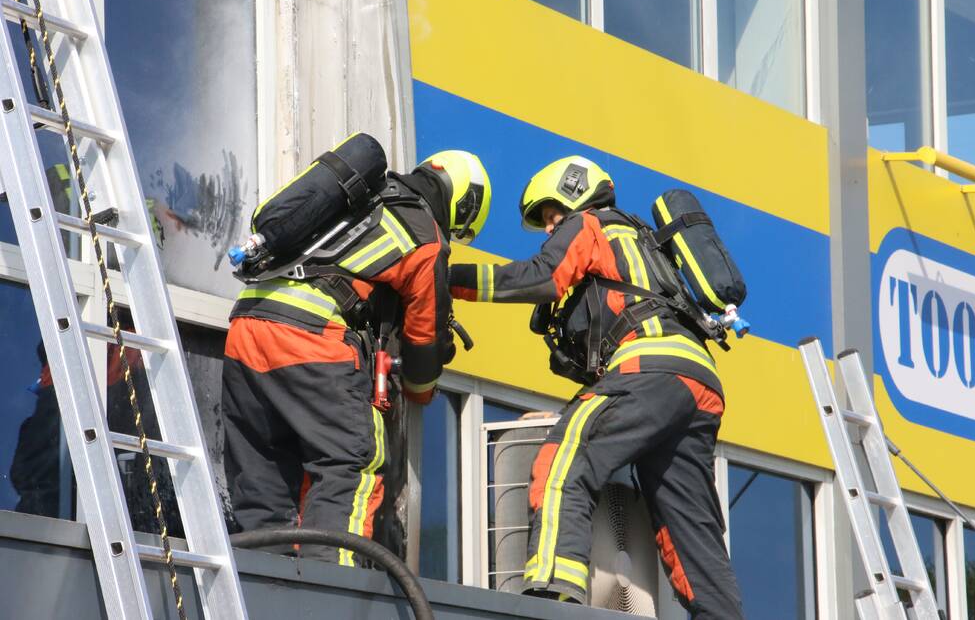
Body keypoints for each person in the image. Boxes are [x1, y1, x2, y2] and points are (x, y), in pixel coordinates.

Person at [449, 156, 744, 618]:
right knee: (688, 522)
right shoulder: (643, 242)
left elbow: (539, 277)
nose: (550, 230)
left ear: (573, 192)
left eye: (551, 217)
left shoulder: (589, 224)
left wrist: (447, 280)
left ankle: (552, 594)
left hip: (648, 367)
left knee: (565, 459)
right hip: (697, 383)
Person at [222, 134, 490, 564]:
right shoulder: (425, 233)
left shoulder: (356, 202)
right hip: (313, 339)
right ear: (463, 205)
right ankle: (333, 593)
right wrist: (421, 389)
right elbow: (423, 343)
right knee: (351, 464)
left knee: (262, 477)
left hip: (246, 330)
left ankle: (264, 586)